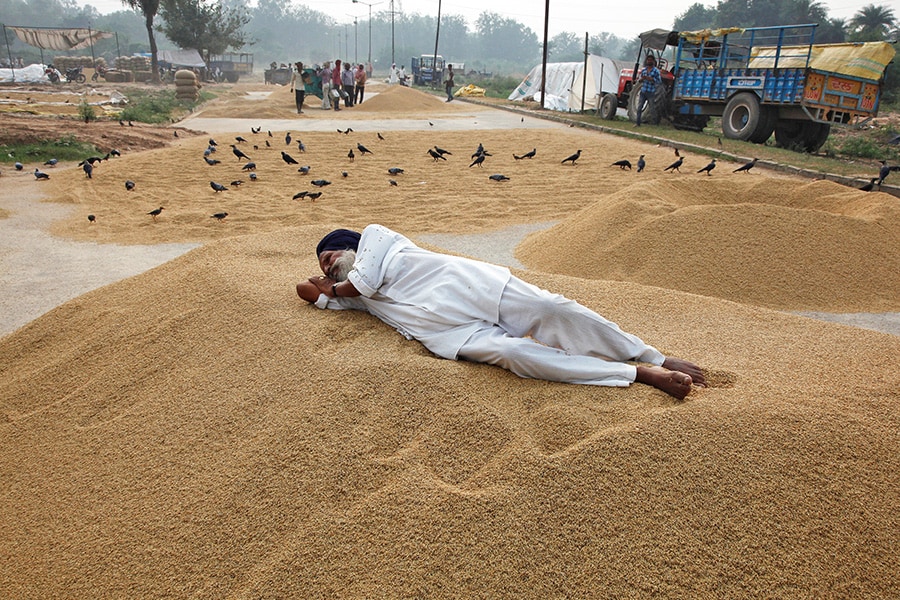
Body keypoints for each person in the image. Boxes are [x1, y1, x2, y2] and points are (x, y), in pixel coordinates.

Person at [295, 225, 706, 400]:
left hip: (473, 288)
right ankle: (637, 374)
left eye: (331, 255)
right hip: (447, 333)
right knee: (517, 356)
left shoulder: (376, 239)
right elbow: (307, 291)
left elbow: (354, 283)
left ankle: (650, 355)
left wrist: (337, 285)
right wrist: (327, 284)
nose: (328, 266)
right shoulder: (354, 290)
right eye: (324, 265)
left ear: (351, 243)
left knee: (550, 309)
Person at [634, 54, 662, 127]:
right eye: (648, 60)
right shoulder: (644, 70)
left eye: (650, 60)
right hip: (643, 91)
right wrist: (642, 79)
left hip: (651, 92)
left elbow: (659, 81)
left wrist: (651, 79)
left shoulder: (656, 71)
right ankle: (637, 123)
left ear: (653, 61)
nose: (649, 61)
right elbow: (639, 80)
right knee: (639, 107)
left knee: (652, 108)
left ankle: (654, 123)